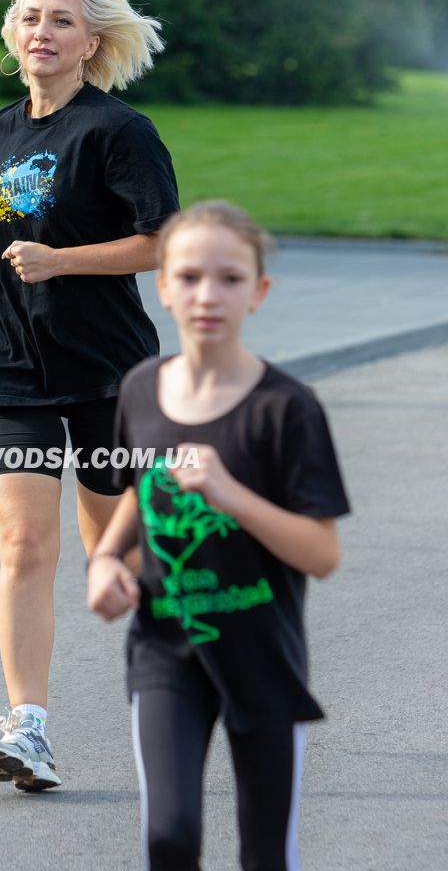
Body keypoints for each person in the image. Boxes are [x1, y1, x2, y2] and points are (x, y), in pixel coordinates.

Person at [0, 0, 179, 791]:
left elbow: (162, 242)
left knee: (113, 561)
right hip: (15, 367)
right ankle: (28, 729)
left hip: (108, 370)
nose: (41, 33)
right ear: (13, 35)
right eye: (29, 19)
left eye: (59, 21)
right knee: (23, 543)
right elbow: (7, 237)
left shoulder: (118, 131)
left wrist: (63, 262)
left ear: (91, 41)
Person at [87, 201, 350, 870]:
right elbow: (138, 491)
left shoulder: (285, 408)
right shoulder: (141, 388)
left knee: (265, 854)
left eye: (230, 278)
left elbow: (322, 554)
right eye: (191, 276)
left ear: (258, 292)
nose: (209, 295)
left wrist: (231, 494)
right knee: (169, 837)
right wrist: (107, 560)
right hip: (165, 651)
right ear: (164, 287)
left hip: (262, 653)